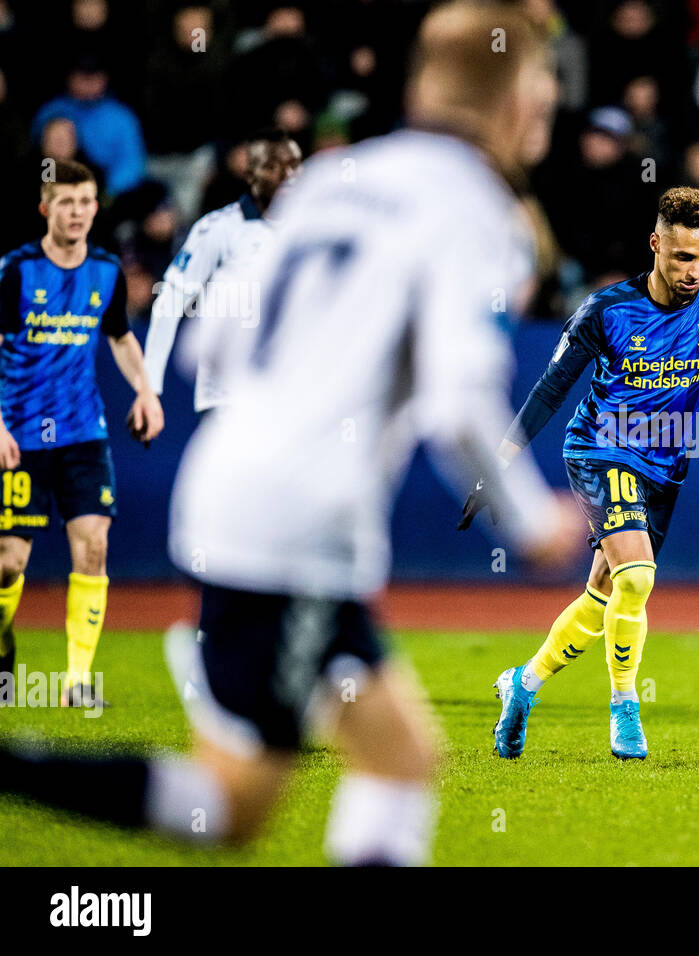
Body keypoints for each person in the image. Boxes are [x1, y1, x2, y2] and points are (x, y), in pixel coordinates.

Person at [0, 1, 578, 866]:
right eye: (544, 87)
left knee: (396, 758)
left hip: (236, 479)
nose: (549, 107)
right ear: (518, 102)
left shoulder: (339, 175)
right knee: (235, 801)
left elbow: (213, 342)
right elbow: (460, 403)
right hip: (300, 522)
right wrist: (530, 524)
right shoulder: (475, 208)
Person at [465, 185, 699, 761]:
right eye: (683, 257)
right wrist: (497, 466)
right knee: (637, 577)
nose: (695, 271)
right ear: (656, 244)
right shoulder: (608, 310)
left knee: (605, 593)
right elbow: (550, 389)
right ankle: (625, 708)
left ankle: (525, 682)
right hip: (599, 452)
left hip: (664, 466)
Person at [0, 160, 163, 708]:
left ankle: (77, 679)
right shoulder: (16, 270)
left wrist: (145, 390)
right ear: (46, 208)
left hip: (82, 433)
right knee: (8, 563)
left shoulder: (108, 271)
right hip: (18, 435)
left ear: (97, 207)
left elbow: (119, 337)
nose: (77, 212)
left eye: (86, 201)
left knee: (93, 546)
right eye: (66, 202)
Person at [144, 128, 302, 413]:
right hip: (227, 396)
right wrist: (149, 385)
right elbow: (170, 300)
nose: (288, 175)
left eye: (293, 165)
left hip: (289, 395)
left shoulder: (309, 232)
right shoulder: (218, 228)